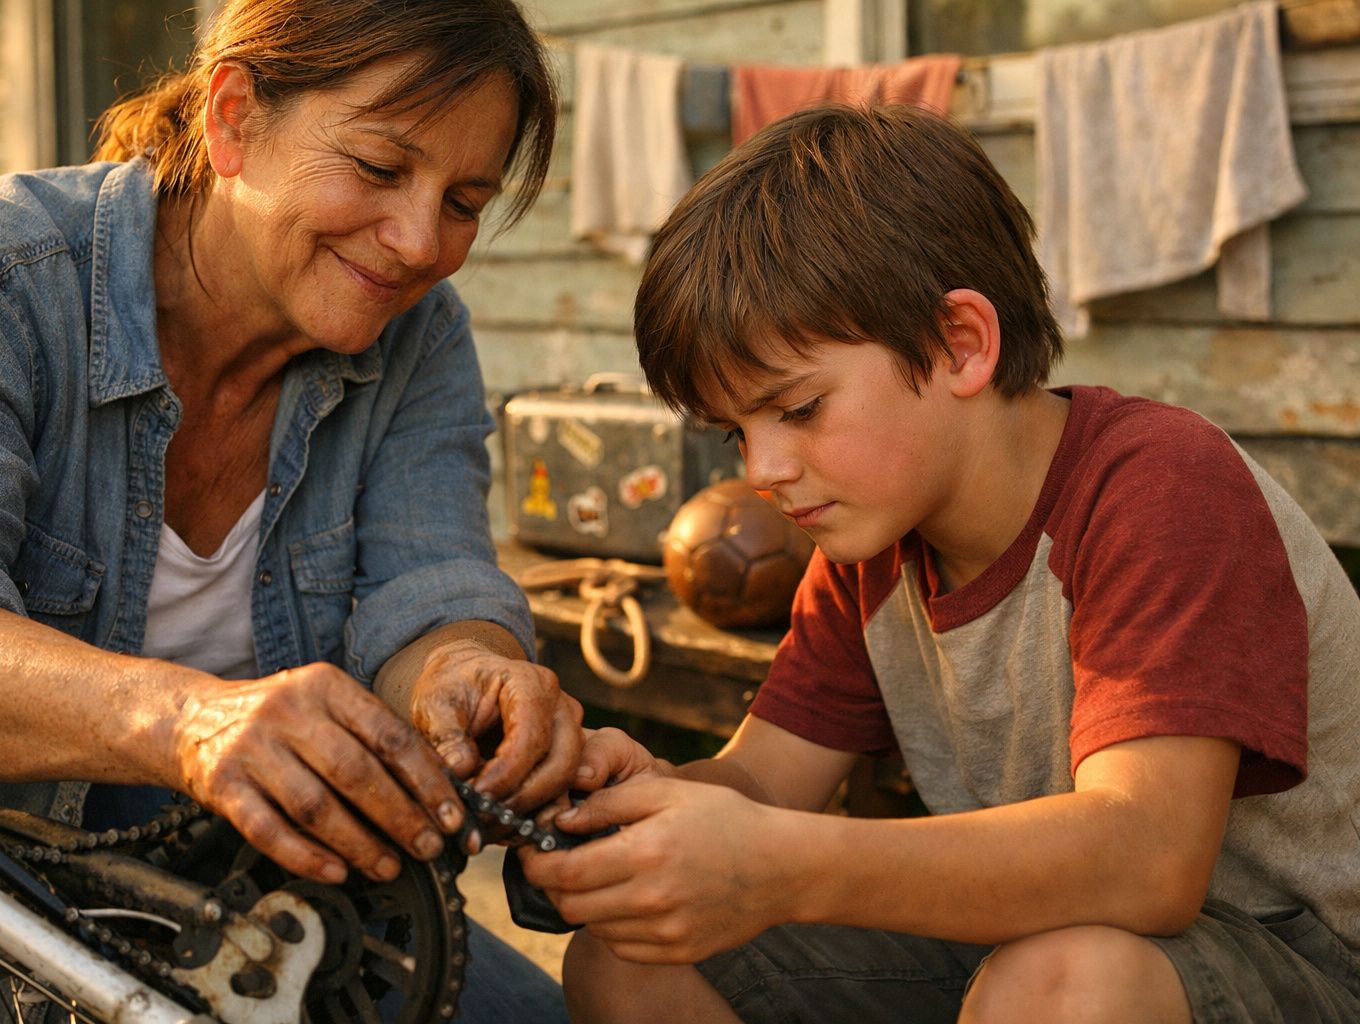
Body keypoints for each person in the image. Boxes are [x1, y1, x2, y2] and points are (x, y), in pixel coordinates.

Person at [521, 104, 1360, 1023]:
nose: (760, 471)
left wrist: (777, 864)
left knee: (1065, 983)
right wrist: (638, 802)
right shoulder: (873, 543)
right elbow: (764, 782)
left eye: (797, 411)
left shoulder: (1160, 487)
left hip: (1285, 962)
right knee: (631, 963)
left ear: (962, 342)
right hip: (1033, 944)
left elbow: (1148, 861)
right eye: (736, 433)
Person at [0, 0, 579, 1019]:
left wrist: (468, 672)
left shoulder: (419, 335)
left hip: (277, 896)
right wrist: (189, 722)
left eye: (464, 201)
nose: (416, 243)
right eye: (379, 167)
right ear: (232, 118)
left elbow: (428, 585)